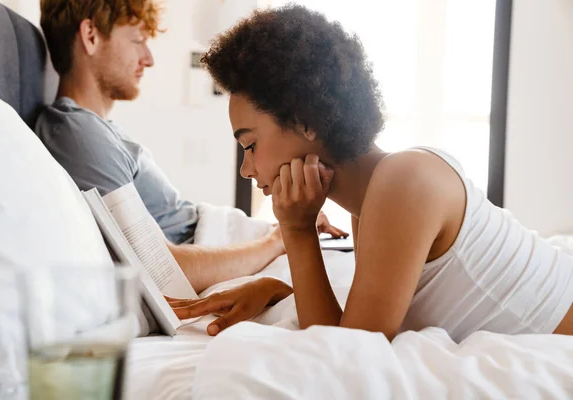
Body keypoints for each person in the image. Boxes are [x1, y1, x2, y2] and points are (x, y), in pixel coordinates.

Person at [171, 4, 573, 341]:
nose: (246, 169)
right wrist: (278, 291)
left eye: (249, 145)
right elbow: (351, 332)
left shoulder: (404, 180)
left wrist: (296, 231)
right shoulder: (373, 198)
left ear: (307, 121)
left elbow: (349, 354)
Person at [35, 0, 347, 298]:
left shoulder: (99, 132)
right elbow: (160, 271)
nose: (148, 58)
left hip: (235, 239)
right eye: (137, 40)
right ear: (90, 36)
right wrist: (282, 237)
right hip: (232, 250)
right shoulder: (78, 134)